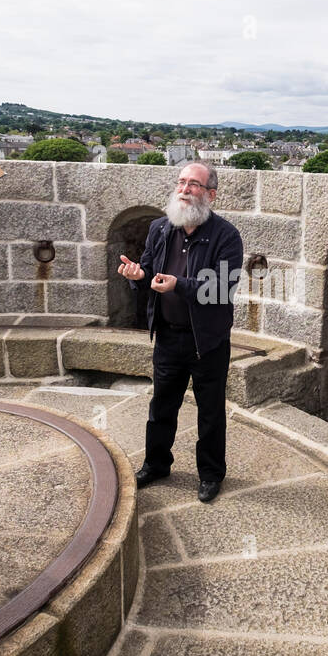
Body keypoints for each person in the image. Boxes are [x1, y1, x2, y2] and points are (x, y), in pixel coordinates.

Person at [117, 162, 243, 503]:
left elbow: (222, 287)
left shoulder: (226, 236)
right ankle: (156, 464)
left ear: (210, 194)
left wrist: (179, 285)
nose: (184, 189)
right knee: (162, 406)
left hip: (208, 340)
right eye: (181, 182)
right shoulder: (160, 229)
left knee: (211, 411)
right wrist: (137, 275)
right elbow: (147, 269)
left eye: (194, 185)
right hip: (169, 335)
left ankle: (211, 474)